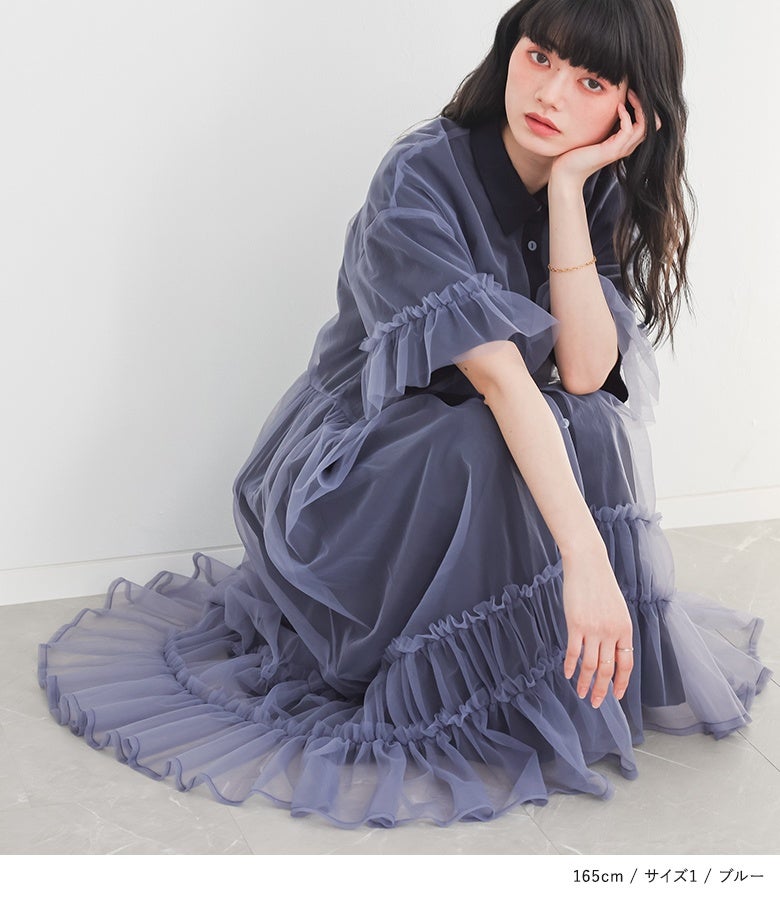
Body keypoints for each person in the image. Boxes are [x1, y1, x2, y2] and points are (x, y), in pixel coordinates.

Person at [39, 0, 770, 828]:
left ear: (631, 110)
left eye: (590, 82)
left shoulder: (583, 183)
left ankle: (556, 656)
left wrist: (569, 190)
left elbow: (585, 371)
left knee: (590, 422)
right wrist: (586, 558)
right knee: (482, 434)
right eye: (539, 57)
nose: (550, 95)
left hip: (467, 448)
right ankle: (465, 666)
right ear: (510, 51)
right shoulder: (419, 177)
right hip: (355, 469)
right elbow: (502, 382)